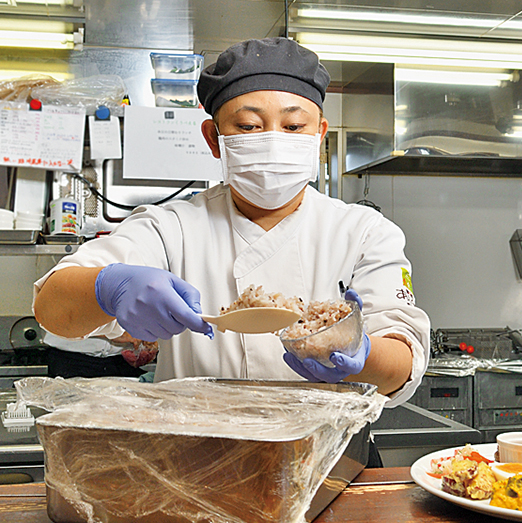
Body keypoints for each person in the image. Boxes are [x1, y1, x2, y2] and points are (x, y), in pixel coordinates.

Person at [32, 37, 430, 409]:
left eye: (293, 127)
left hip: (331, 466)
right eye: (249, 127)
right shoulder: (170, 227)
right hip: (198, 462)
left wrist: (355, 354)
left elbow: (402, 356)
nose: (273, 140)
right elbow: (52, 307)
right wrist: (108, 290)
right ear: (213, 137)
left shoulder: (363, 231)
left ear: (319, 135)